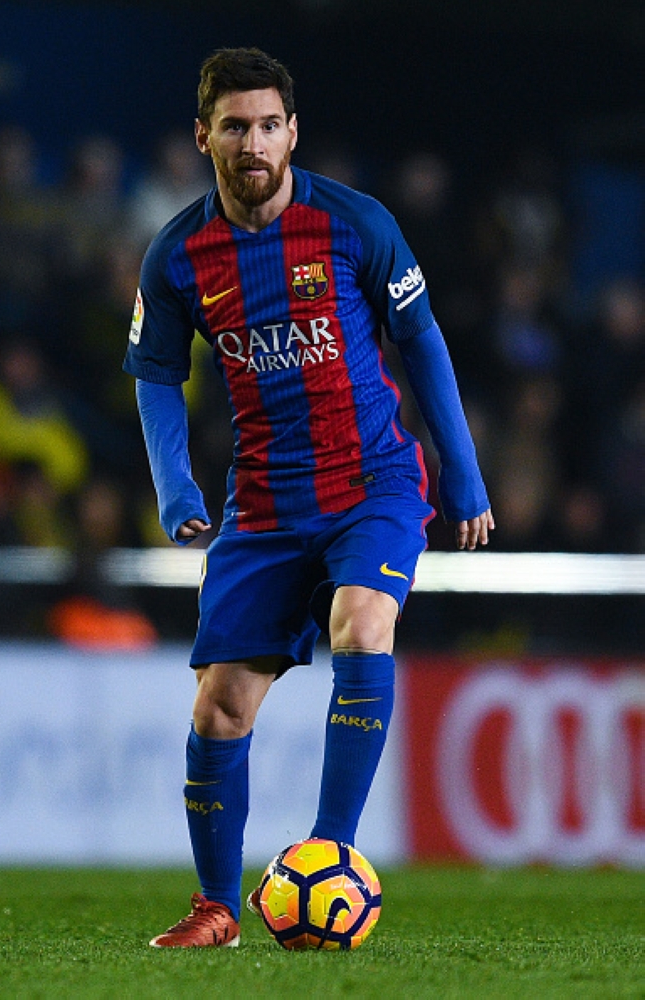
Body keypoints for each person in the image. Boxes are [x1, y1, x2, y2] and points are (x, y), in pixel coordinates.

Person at [123, 47, 494, 949]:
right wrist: (176, 489)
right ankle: (217, 907)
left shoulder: (359, 226)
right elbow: (155, 377)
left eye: (267, 125)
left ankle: (332, 852)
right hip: (265, 504)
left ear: (293, 132)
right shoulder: (178, 255)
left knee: (363, 622)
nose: (253, 143)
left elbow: (426, 346)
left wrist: (465, 474)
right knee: (220, 708)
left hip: (374, 482)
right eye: (234, 127)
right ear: (203, 136)